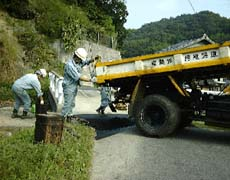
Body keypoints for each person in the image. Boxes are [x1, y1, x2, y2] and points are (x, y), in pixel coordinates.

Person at [61, 47, 95, 121]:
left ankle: (69, 116)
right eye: (80, 59)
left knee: (72, 102)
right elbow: (78, 77)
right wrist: (90, 80)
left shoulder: (77, 63)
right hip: (68, 87)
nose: (81, 61)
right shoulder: (70, 65)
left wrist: (91, 60)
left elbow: (84, 63)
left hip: (73, 86)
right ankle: (61, 119)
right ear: (77, 57)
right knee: (67, 103)